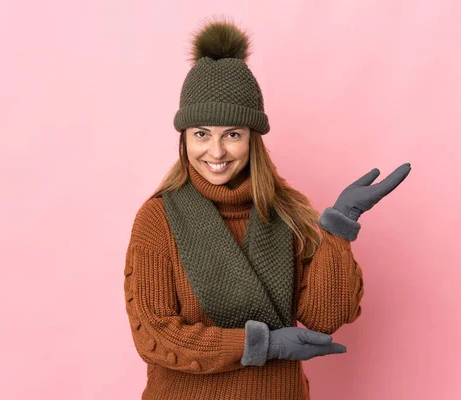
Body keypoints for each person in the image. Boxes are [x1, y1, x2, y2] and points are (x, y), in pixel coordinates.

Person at [123, 17, 411, 400]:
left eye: (233, 134)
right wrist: (265, 345)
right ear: (185, 138)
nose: (216, 151)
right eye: (201, 134)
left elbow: (325, 318)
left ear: (252, 138)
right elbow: (155, 335)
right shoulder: (158, 219)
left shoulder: (288, 213)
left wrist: (340, 226)